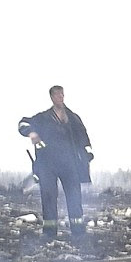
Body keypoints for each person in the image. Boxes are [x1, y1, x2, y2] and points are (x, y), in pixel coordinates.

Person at [18, 86, 94, 239]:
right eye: (57, 95)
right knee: (48, 196)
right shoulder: (43, 118)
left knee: (74, 196)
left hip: (70, 163)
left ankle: (78, 232)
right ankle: (49, 233)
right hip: (48, 163)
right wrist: (32, 133)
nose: (61, 97)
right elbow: (22, 124)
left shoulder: (73, 118)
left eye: (62, 94)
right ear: (52, 97)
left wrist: (87, 153)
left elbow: (83, 137)